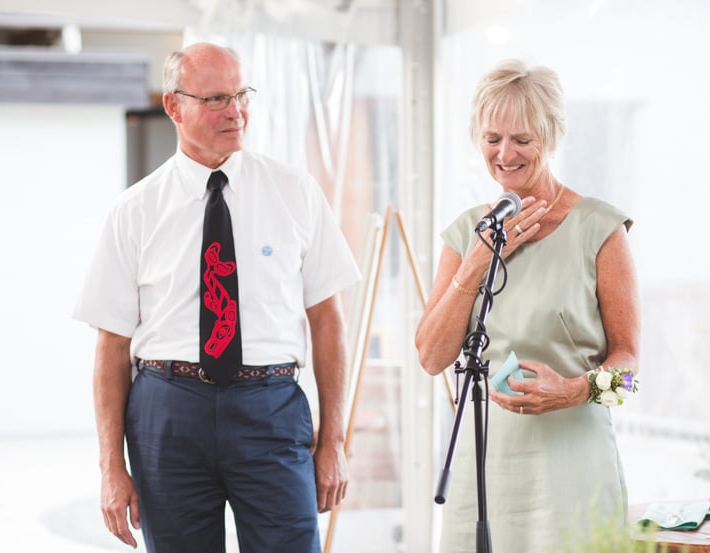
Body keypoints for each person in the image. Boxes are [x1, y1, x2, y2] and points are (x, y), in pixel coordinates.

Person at [73, 42, 360, 552]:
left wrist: (333, 441)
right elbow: (111, 347)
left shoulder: (295, 192)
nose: (236, 111)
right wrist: (111, 467)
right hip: (168, 411)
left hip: (270, 408)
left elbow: (328, 320)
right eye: (216, 100)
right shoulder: (135, 210)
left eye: (241, 94)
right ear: (173, 106)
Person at [415, 59, 640, 552]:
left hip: (572, 463)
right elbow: (432, 357)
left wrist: (573, 390)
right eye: (492, 138)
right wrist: (473, 265)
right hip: (486, 464)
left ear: (551, 136)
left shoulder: (599, 229)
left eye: (522, 138)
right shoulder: (466, 233)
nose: (505, 153)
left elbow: (630, 371)